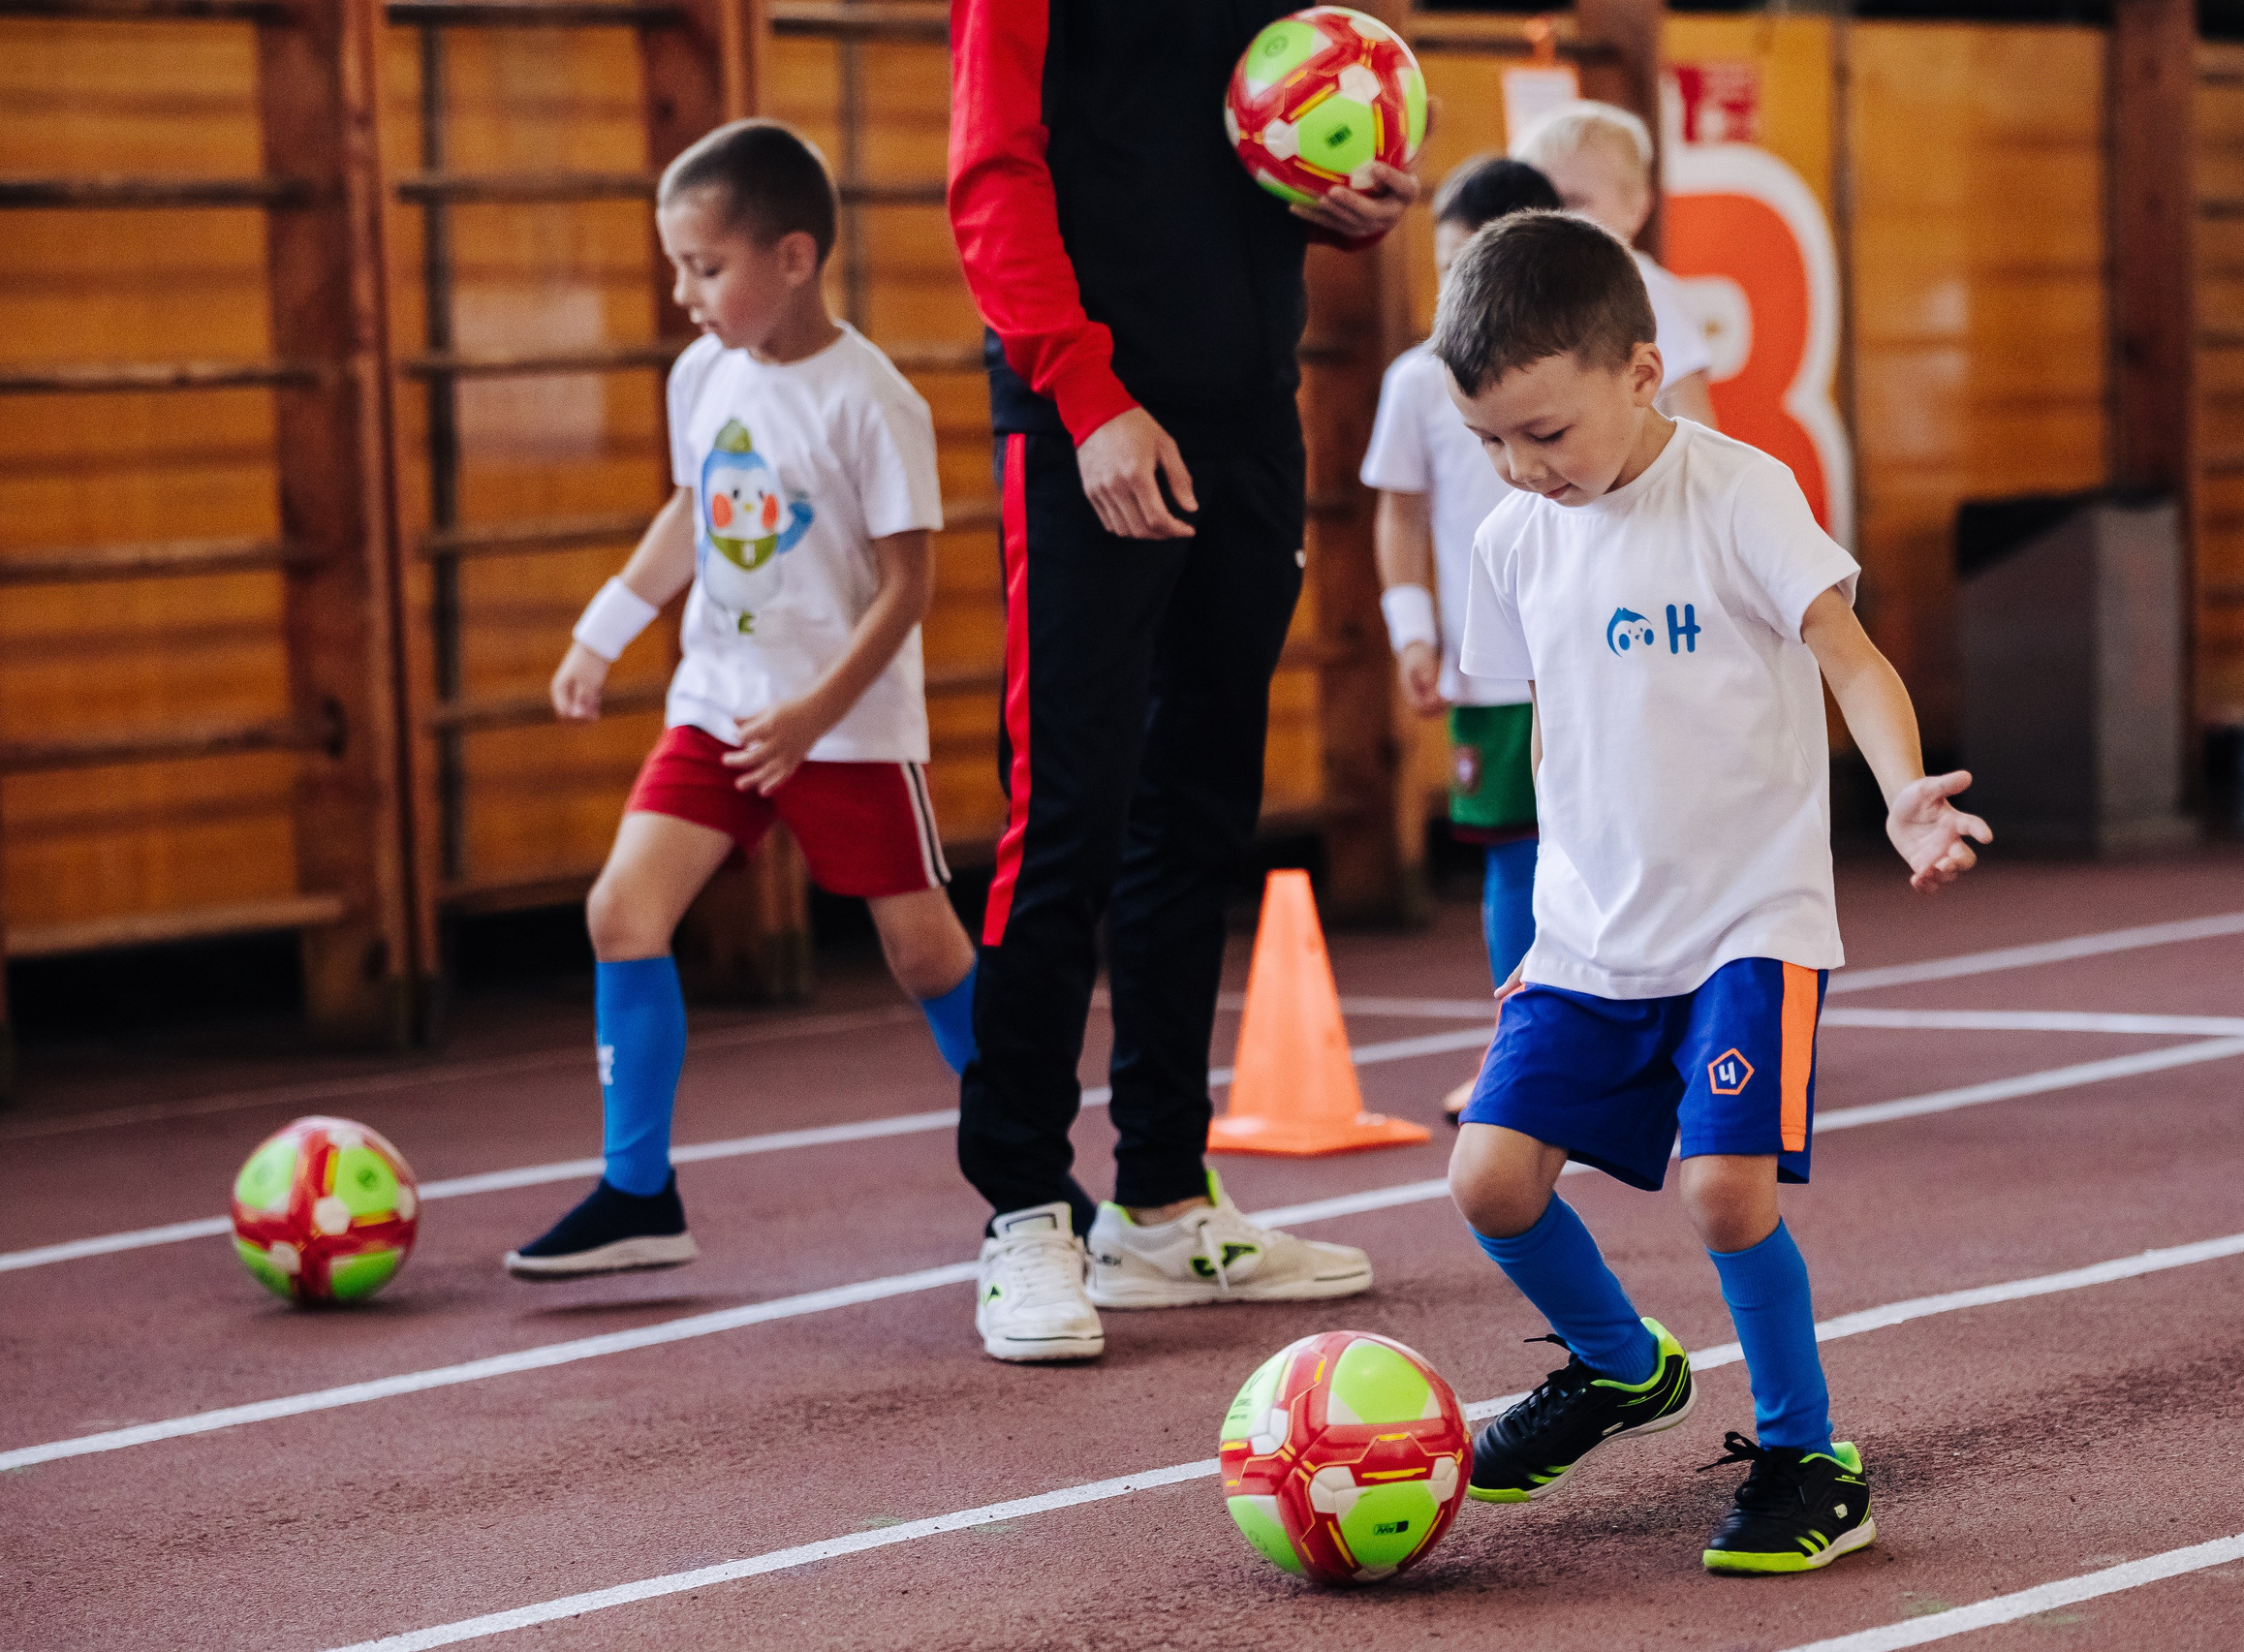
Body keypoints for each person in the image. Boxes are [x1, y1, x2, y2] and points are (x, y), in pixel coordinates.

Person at [1432, 211, 1989, 1571]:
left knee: (1724, 1196)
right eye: (1491, 440)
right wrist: (1549, 920)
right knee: (1489, 1180)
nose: (1522, 467)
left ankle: (1809, 1456)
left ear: (1642, 374)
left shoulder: (1740, 494)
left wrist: (1900, 794)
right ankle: (1621, 1366)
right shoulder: (1516, 541)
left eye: (1546, 433)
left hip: (1750, 916)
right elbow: (1563, 728)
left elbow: (1850, 657)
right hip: (1591, 935)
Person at [946, 3, 1423, 1361]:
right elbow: (993, 176)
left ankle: (1160, 1197)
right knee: (1067, 816)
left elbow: (1260, 147)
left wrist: (1356, 204)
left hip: (1245, 409)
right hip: (1083, 423)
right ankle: (1026, 1205)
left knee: (1202, 806)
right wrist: (1086, 398)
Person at [505, 120, 981, 1280]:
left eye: (704, 268)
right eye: (677, 267)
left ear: (793, 258)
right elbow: (690, 512)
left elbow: (911, 583)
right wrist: (602, 633)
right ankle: (637, 1192)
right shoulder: (701, 375)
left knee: (923, 952)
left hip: (845, 719)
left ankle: (1030, 1165)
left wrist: (817, 713)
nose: (684, 295)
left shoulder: (874, 403)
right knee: (623, 910)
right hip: (717, 702)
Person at [1362, 155, 1563, 1124]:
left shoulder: (1589, 380)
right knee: (1511, 856)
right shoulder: (1414, 382)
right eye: (1445, 267)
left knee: (1618, 846)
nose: (1457, 289)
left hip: (1598, 653)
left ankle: (1654, 1041)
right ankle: (1517, 1051)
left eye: (1477, 264)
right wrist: (1412, 629)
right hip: (1488, 662)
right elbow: (1400, 512)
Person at [1513, 102, 1719, 427]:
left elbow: (1694, 421)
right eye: (1541, 204)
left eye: (1574, 202)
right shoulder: (1527, 292)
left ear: (1635, 208)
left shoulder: (1652, 293)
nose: (1555, 219)